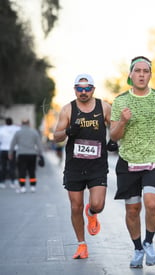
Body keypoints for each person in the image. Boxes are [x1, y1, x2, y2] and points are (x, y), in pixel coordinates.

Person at [110, 56, 155, 268]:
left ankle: (148, 242)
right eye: (137, 71)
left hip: (154, 159)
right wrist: (123, 121)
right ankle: (137, 249)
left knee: (152, 203)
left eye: (146, 71)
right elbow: (114, 136)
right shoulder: (120, 101)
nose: (141, 75)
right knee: (132, 210)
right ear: (130, 74)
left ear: (150, 74)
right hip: (128, 161)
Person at [53, 73, 112, 260]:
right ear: (75, 90)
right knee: (75, 206)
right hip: (75, 166)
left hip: (97, 165)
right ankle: (81, 245)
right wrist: (69, 131)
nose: (83, 92)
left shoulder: (104, 107)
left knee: (98, 204)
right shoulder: (67, 110)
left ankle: (92, 212)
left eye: (87, 89)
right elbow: (56, 136)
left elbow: (117, 128)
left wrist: (115, 141)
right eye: (80, 88)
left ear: (93, 89)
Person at [9, 119, 43, 193]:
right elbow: (39, 144)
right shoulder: (34, 132)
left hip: (21, 154)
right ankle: (33, 186)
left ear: (22, 124)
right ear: (29, 124)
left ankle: (22, 187)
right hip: (32, 154)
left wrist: (10, 153)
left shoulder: (18, 132)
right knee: (32, 171)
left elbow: (13, 144)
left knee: (22, 171)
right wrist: (40, 154)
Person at [0, 118, 20, 189]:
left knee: (3, 166)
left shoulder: (1, 129)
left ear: (5, 122)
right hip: (12, 150)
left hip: (3, 150)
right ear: (12, 122)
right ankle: (13, 181)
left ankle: (2, 182)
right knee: (12, 166)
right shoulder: (16, 129)